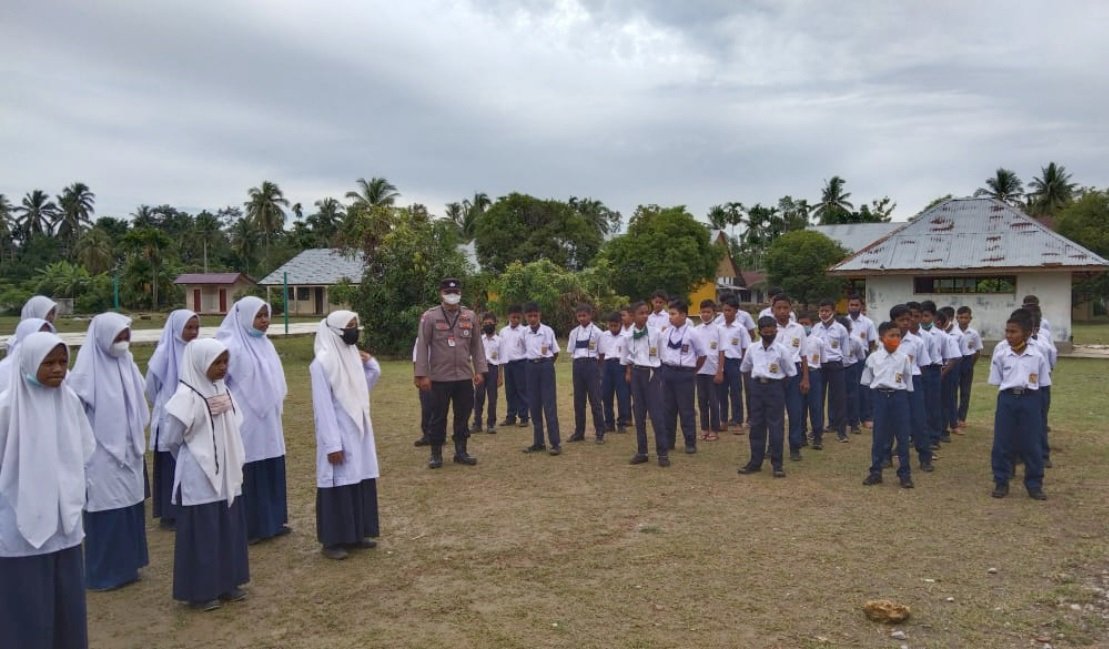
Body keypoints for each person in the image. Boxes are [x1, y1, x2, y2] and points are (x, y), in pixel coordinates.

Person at [0, 332, 96, 648]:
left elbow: (84, 448)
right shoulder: (7, 408)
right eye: (49, 363)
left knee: (65, 602)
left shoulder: (68, 401)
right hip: (18, 520)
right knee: (26, 604)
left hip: (64, 520)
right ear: (29, 362)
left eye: (63, 362)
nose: (57, 369)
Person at [162, 338, 249, 610]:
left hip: (226, 470)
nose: (223, 368)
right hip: (199, 474)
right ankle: (201, 591)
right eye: (216, 363)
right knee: (204, 530)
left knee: (226, 525)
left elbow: (236, 422)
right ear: (200, 364)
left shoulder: (223, 390)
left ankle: (227, 582)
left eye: (225, 362)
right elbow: (172, 438)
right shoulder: (185, 397)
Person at [69, 313, 150, 591]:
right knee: (106, 506)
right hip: (100, 452)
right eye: (118, 335)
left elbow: (140, 398)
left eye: (127, 334)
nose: (124, 340)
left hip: (130, 447)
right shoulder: (84, 372)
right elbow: (76, 413)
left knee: (129, 502)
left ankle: (129, 565)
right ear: (104, 336)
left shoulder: (127, 362)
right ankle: (104, 572)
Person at [216, 297, 290, 543]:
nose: (264, 321)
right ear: (244, 316)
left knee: (271, 464)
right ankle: (251, 527)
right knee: (249, 469)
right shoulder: (228, 346)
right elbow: (218, 383)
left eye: (266, 315)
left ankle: (273, 521)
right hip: (244, 420)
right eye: (258, 316)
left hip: (268, 419)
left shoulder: (265, 344)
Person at [310, 311, 382, 560]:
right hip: (338, 432)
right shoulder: (322, 363)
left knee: (359, 479)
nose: (354, 330)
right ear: (335, 330)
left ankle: (358, 533)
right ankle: (333, 540)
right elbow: (323, 407)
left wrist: (371, 363)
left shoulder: (352, 355)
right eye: (349, 326)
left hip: (358, 429)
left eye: (356, 325)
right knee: (339, 482)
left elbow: (364, 387)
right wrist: (332, 444)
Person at [414, 278, 487, 468]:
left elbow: (477, 345)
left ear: (460, 294)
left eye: (455, 293)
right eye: (448, 292)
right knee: (438, 416)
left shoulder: (469, 316)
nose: (452, 296)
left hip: (463, 376)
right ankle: (436, 453)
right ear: (441, 294)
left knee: (463, 415)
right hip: (439, 377)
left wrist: (480, 370)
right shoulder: (430, 317)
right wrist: (422, 374)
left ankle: (461, 451)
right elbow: (422, 346)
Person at [145, 309, 200, 530]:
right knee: (169, 463)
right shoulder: (164, 353)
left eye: (196, 327)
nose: (193, 332)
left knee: (186, 462)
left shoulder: (195, 350)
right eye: (189, 327)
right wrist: (165, 403)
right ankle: (169, 513)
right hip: (169, 414)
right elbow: (151, 386)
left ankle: (185, 506)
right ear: (177, 328)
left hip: (190, 414)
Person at [989, 309, 1049, 500]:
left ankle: (1034, 483)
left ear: (1027, 333)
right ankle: (1001, 481)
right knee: (1002, 442)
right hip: (1007, 399)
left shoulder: (1038, 355)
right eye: (1007, 331)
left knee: (1031, 443)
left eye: (1013, 332)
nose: (1009, 335)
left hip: (1030, 398)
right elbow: (998, 380)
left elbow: (1043, 383)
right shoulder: (1001, 354)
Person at [737, 316, 796, 477]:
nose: (769, 334)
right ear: (759, 332)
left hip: (775, 388)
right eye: (766, 332)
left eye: (772, 332)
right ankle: (755, 462)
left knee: (776, 426)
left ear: (776, 331)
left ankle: (777, 465)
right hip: (756, 388)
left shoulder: (782, 350)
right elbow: (745, 367)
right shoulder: (752, 348)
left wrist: (778, 387)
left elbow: (791, 372)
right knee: (756, 426)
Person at [861, 322, 916, 488]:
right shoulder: (873, 358)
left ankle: (904, 473)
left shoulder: (904, 358)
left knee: (903, 437)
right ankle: (875, 471)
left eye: (898, 335)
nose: (895, 339)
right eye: (891, 336)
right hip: (880, 397)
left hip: (899, 397)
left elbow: (907, 380)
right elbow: (867, 380)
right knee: (879, 437)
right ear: (881, 338)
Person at [657, 299, 707, 459]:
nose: (670, 317)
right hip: (668, 372)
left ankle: (690, 442)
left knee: (686, 410)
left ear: (684, 315)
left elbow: (702, 355)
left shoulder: (693, 333)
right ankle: (669, 440)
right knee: (668, 409)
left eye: (673, 314)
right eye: (669, 314)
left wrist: (693, 370)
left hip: (685, 373)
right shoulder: (666, 332)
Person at [889, 304, 934, 472]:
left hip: (913, 382)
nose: (906, 323)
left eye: (908, 319)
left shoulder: (917, 342)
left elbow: (923, 365)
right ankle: (888, 455)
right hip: (892, 384)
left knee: (918, 421)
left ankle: (925, 458)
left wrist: (911, 378)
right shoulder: (887, 341)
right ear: (893, 321)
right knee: (891, 421)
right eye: (902, 320)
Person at [623, 301, 665, 465]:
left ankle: (662, 453)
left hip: (651, 373)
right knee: (639, 414)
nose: (645, 316)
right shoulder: (627, 336)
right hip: (636, 373)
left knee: (656, 414)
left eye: (647, 312)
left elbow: (662, 355)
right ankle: (642, 451)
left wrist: (659, 376)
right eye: (641, 313)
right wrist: (628, 372)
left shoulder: (656, 334)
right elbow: (627, 358)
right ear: (633, 316)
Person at [771, 296, 809, 461]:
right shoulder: (770, 328)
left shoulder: (798, 329)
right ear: (773, 309)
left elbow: (804, 355)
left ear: (790, 309)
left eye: (785, 308)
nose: (782, 311)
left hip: (794, 374)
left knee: (795, 412)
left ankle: (795, 447)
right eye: (778, 308)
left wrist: (805, 378)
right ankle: (772, 446)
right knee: (774, 414)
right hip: (775, 375)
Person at [520, 302, 561, 455]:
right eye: (529, 316)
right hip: (530, 367)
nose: (532, 319)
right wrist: (534, 362)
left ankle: (555, 443)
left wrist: (546, 363)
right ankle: (538, 442)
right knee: (534, 405)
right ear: (526, 317)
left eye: (535, 315)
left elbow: (555, 352)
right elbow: (524, 349)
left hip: (545, 367)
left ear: (539, 315)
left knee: (549, 405)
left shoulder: (548, 331)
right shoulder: (524, 332)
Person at [810, 299, 850, 444]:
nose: (824, 313)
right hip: (819, 366)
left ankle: (841, 431)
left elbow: (845, 351)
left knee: (839, 399)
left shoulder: (841, 329)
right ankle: (817, 429)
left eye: (827, 311)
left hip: (835, 365)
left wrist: (841, 365)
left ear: (833, 311)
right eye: (822, 311)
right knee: (817, 399)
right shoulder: (815, 328)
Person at [567, 304, 605, 444]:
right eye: (579, 316)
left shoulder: (597, 332)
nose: (582, 318)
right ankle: (579, 432)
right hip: (577, 365)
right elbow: (572, 351)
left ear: (590, 315)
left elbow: (601, 354)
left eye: (584, 315)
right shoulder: (574, 332)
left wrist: (596, 368)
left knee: (595, 400)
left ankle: (600, 432)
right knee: (579, 401)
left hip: (592, 365)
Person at [716, 297, 750, 433]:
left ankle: (737, 421)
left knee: (736, 392)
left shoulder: (740, 328)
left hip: (735, 362)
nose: (726, 313)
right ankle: (723, 420)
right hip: (721, 362)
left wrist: (742, 364)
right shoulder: (718, 327)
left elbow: (745, 347)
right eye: (724, 310)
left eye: (729, 310)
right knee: (721, 393)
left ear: (736, 311)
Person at [915, 301, 944, 449]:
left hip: (931, 370)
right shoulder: (905, 335)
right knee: (916, 406)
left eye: (926, 316)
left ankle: (934, 437)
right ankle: (915, 436)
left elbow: (943, 356)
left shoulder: (936, 335)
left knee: (932, 405)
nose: (922, 319)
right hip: (914, 371)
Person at [693, 300, 723, 441]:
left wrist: (719, 371)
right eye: (703, 312)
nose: (705, 315)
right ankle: (704, 428)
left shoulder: (719, 330)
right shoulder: (696, 330)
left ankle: (715, 430)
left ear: (714, 313)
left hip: (713, 371)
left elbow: (722, 352)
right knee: (702, 400)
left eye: (708, 312)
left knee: (713, 401)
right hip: (700, 371)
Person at [846, 294, 877, 428]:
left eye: (856, 305)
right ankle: (849, 418)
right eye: (851, 305)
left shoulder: (868, 323)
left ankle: (866, 417)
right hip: (847, 359)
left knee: (864, 388)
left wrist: (869, 358)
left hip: (863, 359)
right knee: (849, 390)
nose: (853, 307)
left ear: (861, 307)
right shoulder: (843, 321)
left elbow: (871, 342)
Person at [0, 317, 54, 394]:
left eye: (48, 336)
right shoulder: (4, 371)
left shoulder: (57, 367)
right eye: (38, 336)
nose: (44, 341)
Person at [597, 312, 630, 435]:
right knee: (606, 395)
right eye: (611, 326)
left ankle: (621, 423)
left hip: (621, 365)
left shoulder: (626, 336)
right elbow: (600, 353)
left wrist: (628, 371)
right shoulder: (604, 335)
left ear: (621, 324)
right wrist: (600, 370)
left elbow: (629, 355)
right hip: (607, 365)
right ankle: (609, 422)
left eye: (616, 325)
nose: (613, 328)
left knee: (622, 396)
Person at [498, 304, 529, 428]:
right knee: (510, 391)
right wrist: (500, 369)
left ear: (521, 317)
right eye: (513, 317)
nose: (515, 319)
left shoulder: (525, 331)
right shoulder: (503, 331)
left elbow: (528, 348)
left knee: (522, 390)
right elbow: (500, 349)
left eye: (517, 317)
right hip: (508, 364)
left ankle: (524, 417)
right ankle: (511, 416)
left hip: (521, 364)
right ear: (508, 317)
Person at [934, 308, 962, 443]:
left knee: (944, 402)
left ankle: (943, 431)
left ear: (938, 322)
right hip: (932, 373)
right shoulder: (926, 336)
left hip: (946, 373)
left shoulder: (947, 337)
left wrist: (942, 373)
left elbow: (955, 357)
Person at [472, 312, 502, 435]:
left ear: (495, 323)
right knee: (478, 397)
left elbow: (502, 359)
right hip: (481, 369)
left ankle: (491, 424)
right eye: (485, 324)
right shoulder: (479, 340)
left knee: (492, 397)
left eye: (490, 323)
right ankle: (477, 423)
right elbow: (474, 356)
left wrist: (500, 376)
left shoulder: (499, 340)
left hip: (493, 369)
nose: (488, 325)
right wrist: (475, 372)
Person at [798, 312, 824, 449]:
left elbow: (823, 360)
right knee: (800, 407)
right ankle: (801, 436)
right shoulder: (795, 341)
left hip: (814, 374)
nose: (803, 326)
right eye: (800, 324)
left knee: (816, 406)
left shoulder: (818, 341)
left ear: (811, 325)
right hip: (799, 374)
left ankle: (817, 436)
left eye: (806, 324)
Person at [955, 306, 982, 429]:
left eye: (965, 317)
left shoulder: (973, 333)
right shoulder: (952, 332)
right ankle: (953, 417)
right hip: (954, 363)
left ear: (970, 318)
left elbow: (977, 351)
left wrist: (970, 365)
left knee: (965, 392)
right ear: (956, 318)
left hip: (967, 362)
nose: (963, 320)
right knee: (952, 391)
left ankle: (962, 418)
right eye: (960, 317)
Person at [839, 316, 865, 436]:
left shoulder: (855, 340)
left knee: (853, 395)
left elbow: (861, 356)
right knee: (836, 397)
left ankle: (854, 423)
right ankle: (835, 423)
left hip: (851, 368)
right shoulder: (833, 339)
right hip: (836, 369)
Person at [412, 339, 432, 447]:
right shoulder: (420, 338)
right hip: (425, 373)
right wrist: (417, 376)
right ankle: (427, 435)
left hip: (441, 372)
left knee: (440, 406)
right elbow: (416, 358)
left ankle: (439, 435)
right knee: (426, 406)